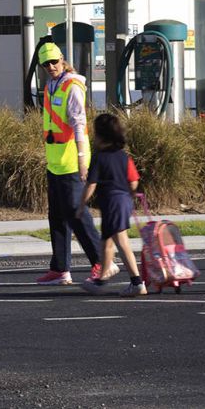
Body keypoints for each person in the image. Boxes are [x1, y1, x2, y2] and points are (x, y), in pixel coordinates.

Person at [35, 42, 113, 285]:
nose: (50, 66)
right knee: (57, 215)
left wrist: (82, 160)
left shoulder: (72, 86)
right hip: (55, 161)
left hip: (72, 160)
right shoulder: (50, 86)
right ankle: (60, 268)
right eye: (45, 63)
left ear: (62, 59)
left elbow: (79, 124)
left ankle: (102, 263)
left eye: (54, 62)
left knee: (77, 213)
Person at [77, 113, 147, 297]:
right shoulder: (124, 156)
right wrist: (129, 194)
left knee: (121, 242)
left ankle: (137, 282)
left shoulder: (99, 158)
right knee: (106, 242)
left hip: (111, 202)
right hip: (124, 200)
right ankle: (101, 280)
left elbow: (91, 185)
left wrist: (81, 205)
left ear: (101, 136)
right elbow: (134, 180)